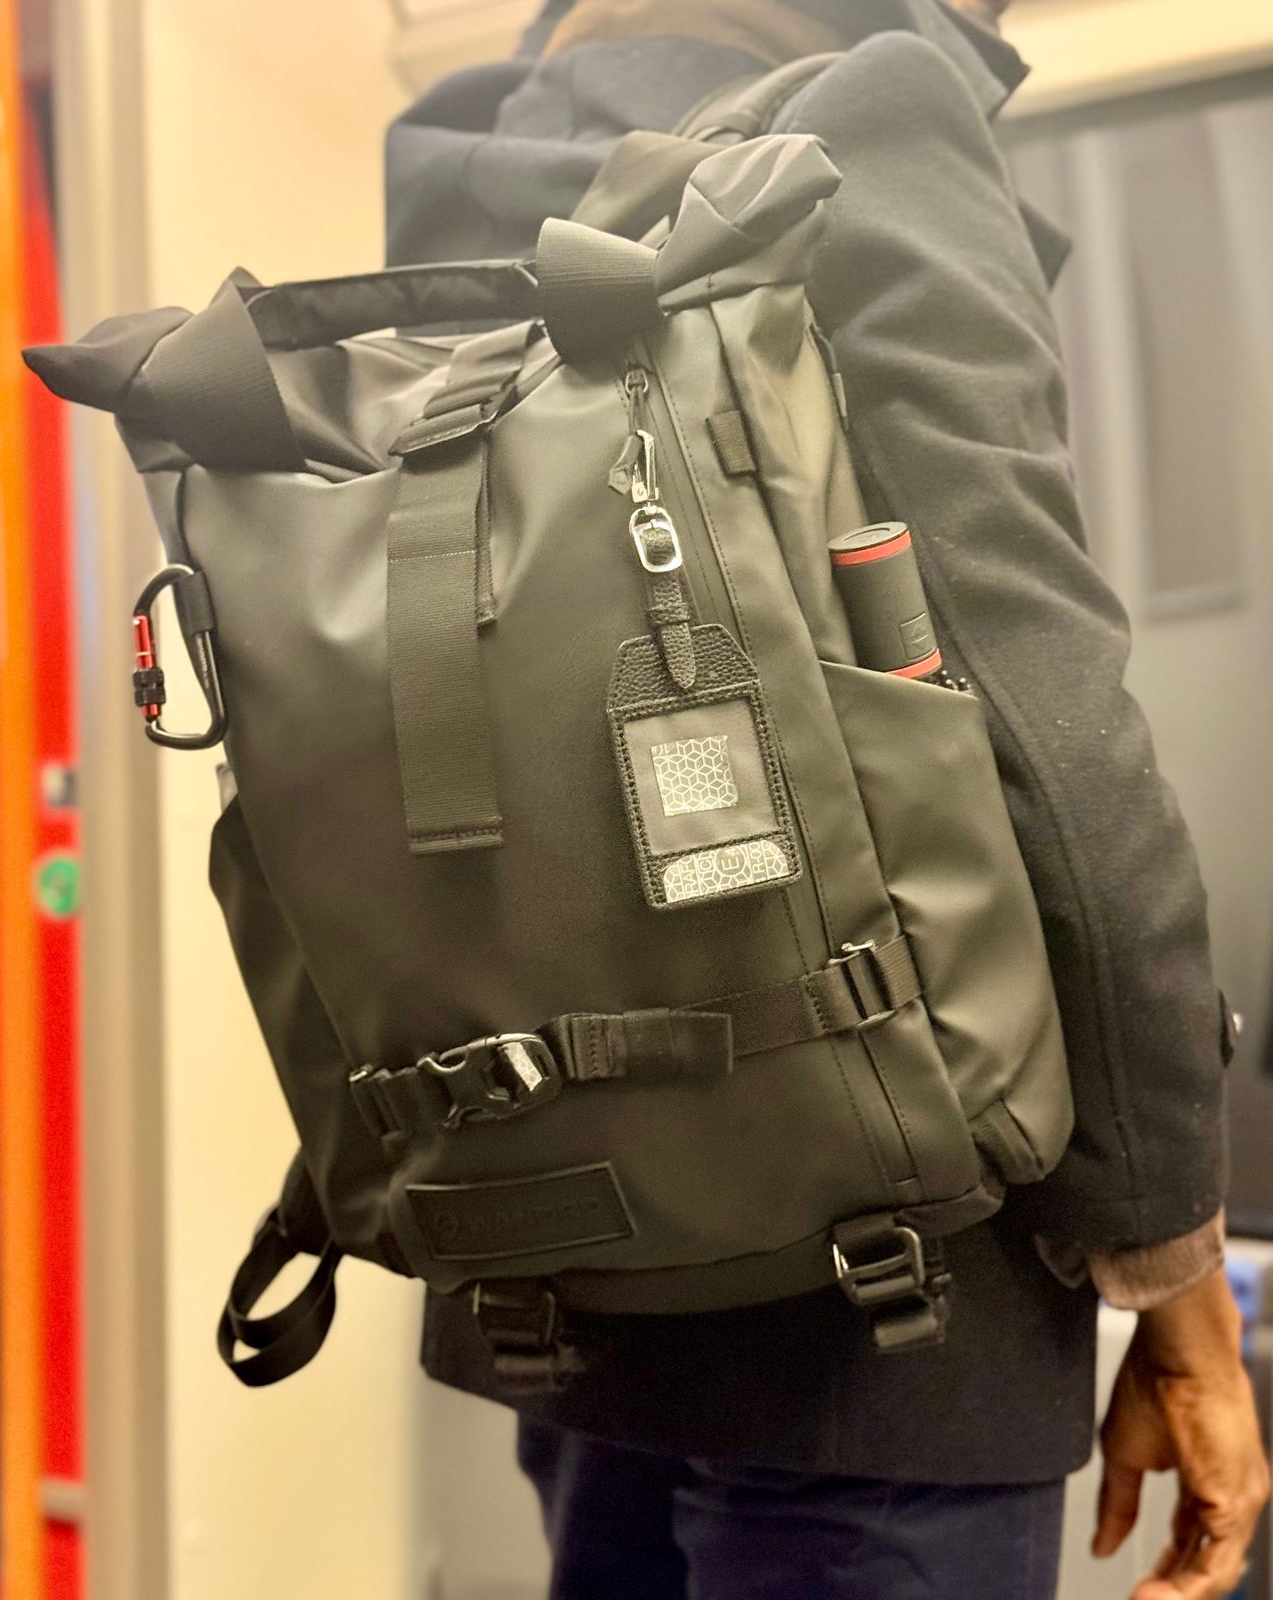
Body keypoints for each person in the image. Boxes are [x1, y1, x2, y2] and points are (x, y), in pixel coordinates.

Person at [383, 2, 1271, 1595]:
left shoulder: (466, 162)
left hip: (560, 1267)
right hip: (893, 1313)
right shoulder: (869, 120)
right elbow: (1041, 726)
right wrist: (1171, 1261)